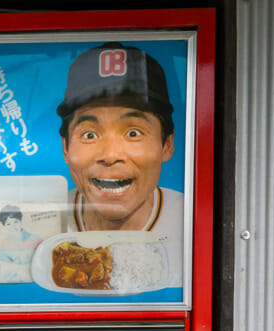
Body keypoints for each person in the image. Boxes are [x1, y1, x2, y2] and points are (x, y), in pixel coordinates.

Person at [57, 42, 183, 239]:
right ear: (65, 147)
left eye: (133, 133)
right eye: (90, 135)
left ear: (166, 144)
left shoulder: (191, 220)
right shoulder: (43, 221)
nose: (110, 155)